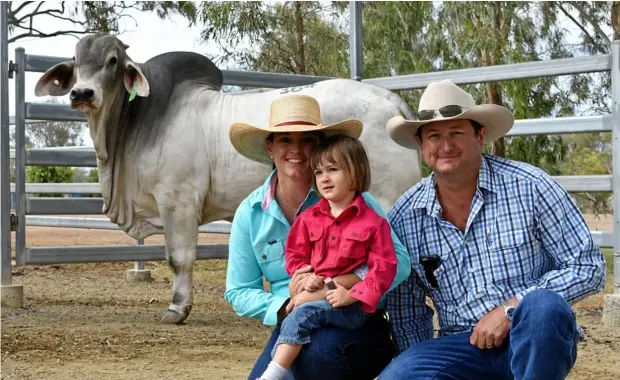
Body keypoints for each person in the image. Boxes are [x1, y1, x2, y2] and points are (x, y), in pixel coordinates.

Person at [379, 79, 607, 379]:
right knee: (400, 375)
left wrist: (512, 308)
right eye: (434, 136)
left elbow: (588, 266)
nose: (445, 146)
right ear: (422, 145)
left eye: (457, 132)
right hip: (462, 345)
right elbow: (406, 307)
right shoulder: (405, 216)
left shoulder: (531, 186)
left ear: (480, 135)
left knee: (542, 305)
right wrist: (422, 361)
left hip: (532, 338)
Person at [225, 94, 411, 380]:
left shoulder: (354, 201)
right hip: (294, 319)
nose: (296, 149)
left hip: (356, 319)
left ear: (320, 146)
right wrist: (285, 305)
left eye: (307, 140)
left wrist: (338, 284)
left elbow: (398, 261)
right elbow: (238, 290)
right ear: (270, 147)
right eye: (285, 139)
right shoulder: (249, 213)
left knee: (317, 355)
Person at [257, 134, 398, 380]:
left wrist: (353, 294)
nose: (324, 178)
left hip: (353, 308)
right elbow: (295, 254)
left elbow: (384, 268)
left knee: (301, 313)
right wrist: (306, 276)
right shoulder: (309, 218)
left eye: (332, 170)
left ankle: (273, 375)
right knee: (301, 310)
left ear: (357, 172)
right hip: (320, 300)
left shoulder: (373, 223)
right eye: (319, 172)